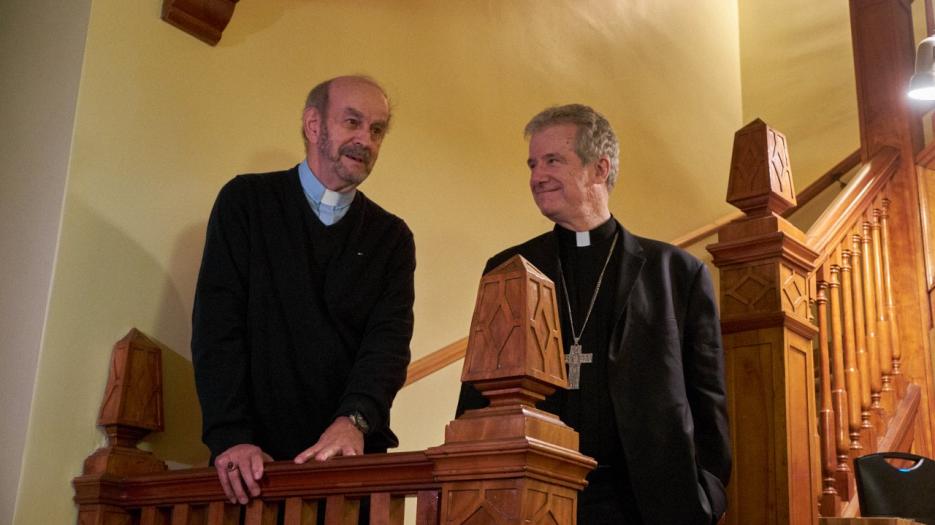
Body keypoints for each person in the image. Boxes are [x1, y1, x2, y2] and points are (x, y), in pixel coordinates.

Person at [456, 104, 731, 524]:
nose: (536, 176)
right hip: (537, 497)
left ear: (599, 169)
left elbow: (707, 398)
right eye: (532, 163)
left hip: (645, 501)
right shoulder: (509, 268)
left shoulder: (676, 273)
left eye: (553, 160)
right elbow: (478, 395)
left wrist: (709, 492)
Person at [192, 75, 415, 506]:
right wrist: (231, 437)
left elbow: (387, 345)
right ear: (314, 126)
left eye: (377, 130)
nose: (365, 140)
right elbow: (217, 328)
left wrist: (355, 420)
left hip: (347, 469)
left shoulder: (392, 237)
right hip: (252, 468)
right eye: (352, 122)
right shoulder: (246, 202)